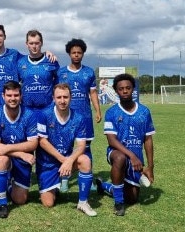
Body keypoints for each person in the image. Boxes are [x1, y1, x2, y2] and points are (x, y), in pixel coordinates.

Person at [0, 25, 58, 192]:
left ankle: (38, 175)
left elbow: (34, 57)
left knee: (31, 139)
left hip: (16, 103)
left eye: (1, 35)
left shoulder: (15, 55)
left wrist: (48, 53)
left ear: (5, 36)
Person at [95, 73, 155, 216]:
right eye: (121, 89)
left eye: (128, 88)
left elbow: (148, 140)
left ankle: (103, 185)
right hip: (116, 153)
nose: (125, 91)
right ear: (116, 91)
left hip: (136, 159)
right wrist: (131, 156)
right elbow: (111, 140)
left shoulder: (144, 111)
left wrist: (150, 167)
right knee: (120, 158)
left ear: (133, 88)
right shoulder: (112, 112)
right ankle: (118, 203)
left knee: (132, 198)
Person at [36, 83, 96, 216]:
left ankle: (83, 202)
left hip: (67, 161)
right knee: (48, 203)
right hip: (47, 164)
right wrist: (64, 160)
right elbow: (42, 142)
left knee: (85, 160)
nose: (62, 101)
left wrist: (69, 161)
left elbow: (81, 145)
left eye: (65, 97)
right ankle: (54, 187)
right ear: (53, 98)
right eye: (59, 97)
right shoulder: (44, 114)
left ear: (71, 98)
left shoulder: (79, 118)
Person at [0, 80, 38, 219]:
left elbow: (33, 144)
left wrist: (9, 147)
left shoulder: (30, 115)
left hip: (21, 160)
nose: (13, 98)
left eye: (16, 95)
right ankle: (2, 203)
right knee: (2, 159)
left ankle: (7, 184)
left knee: (20, 200)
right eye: (9, 95)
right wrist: (21, 153)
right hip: (6, 157)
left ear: (21, 96)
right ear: (3, 96)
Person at [56, 38, 101, 192]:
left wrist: (98, 110)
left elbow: (93, 92)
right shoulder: (61, 72)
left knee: (86, 147)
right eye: (73, 52)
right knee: (66, 147)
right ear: (69, 54)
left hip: (85, 116)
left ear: (83, 54)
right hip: (66, 116)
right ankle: (64, 179)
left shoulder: (89, 72)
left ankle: (89, 178)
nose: (76, 55)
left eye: (79, 53)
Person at [17, 29, 60, 115]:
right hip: (27, 110)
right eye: (31, 43)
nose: (34, 46)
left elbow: (59, 83)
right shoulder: (20, 62)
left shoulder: (51, 60)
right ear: (27, 44)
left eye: (37, 43)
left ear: (41, 43)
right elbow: (15, 84)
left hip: (47, 110)